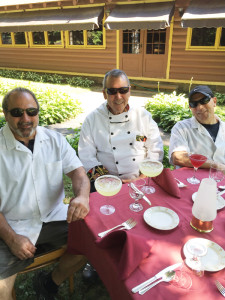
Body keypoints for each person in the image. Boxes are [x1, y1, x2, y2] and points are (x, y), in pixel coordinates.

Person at [0, 87, 90, 300]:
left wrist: (82, 196)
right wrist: (12, 239)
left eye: (31, 111)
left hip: (54, 217)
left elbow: (78, 172)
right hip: (10, 225)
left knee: (93, 243)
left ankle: (50, 282)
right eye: (17, 112)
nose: (25, 118)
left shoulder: (54, 140)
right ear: (5, 114)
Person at [78, 69, 164, 189]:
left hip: (142, 181)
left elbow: (155, 149)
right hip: (105, 183)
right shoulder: (92, 119)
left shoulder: (143, 116)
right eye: (112, 91)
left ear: (129, 91)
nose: (118, 97)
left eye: (123, 90)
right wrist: (108, 181)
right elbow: (86, 156)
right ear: (104, 94)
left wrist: (142, 177)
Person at [169, 85, 225, 168]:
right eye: (194, 104)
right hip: (190, 179)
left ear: (214, 101)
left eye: (204, 100)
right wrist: (215, 165)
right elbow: (178, 158)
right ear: (190, 107)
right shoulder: (181, 128)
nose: (200, 107)